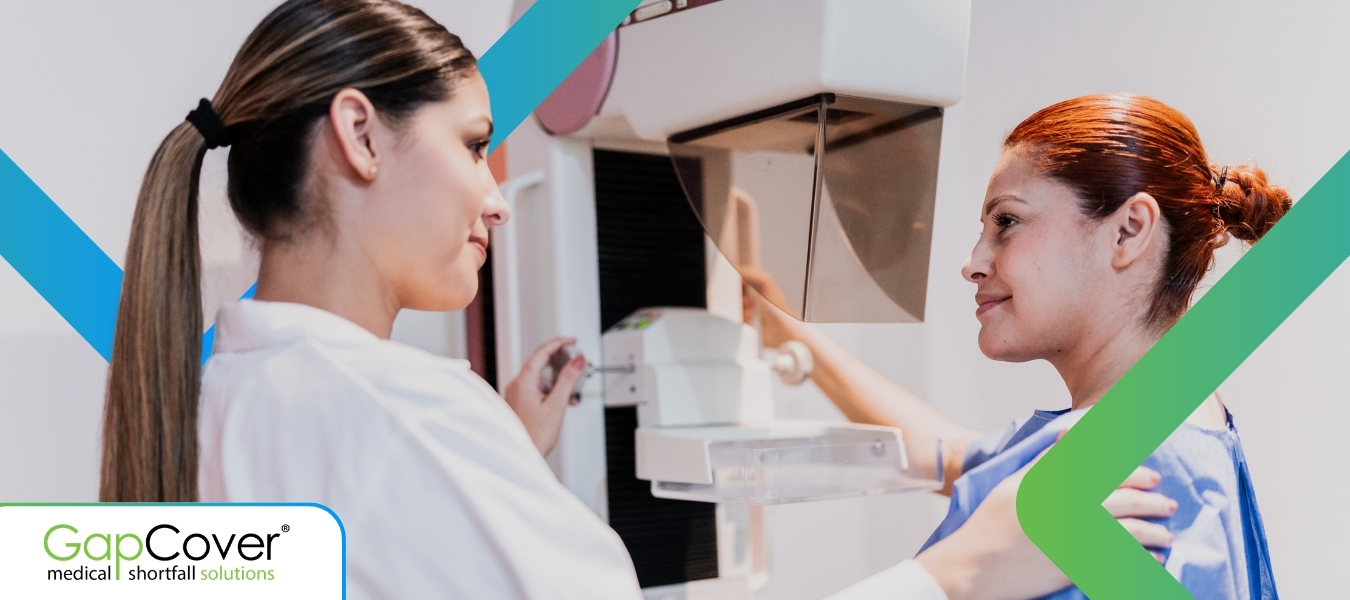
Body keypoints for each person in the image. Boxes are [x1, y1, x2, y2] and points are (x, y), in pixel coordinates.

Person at [99, 1, 1178, 597]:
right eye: (473, 146)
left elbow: (954, 456)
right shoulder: (407, 416)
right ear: (358, 135)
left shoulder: (203, 396)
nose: (494, 194)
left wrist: (498, 465)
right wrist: (960, 571)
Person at [748, 94, 1288, 599]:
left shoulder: (1130, 474)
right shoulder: (1162, 424)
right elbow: (948, 454)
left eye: (1007, 222)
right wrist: (787, 332)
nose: (972, 263)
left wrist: (963, 568)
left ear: (1128, 231)